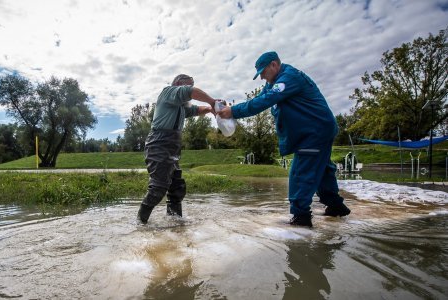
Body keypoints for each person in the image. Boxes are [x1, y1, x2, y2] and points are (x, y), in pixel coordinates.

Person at [216, 51, 350, 227]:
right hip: (316, 131)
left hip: (314, 133)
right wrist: (232, 107)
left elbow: (267, 100)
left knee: (300, 172)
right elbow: (259, 99)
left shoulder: (288, 78)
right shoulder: (275, 81)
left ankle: (301, 217)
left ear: (274, 65)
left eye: (263, 72)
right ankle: (335, 207)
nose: (263, 78)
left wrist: (233, 112)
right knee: (323, 170)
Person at [137, 74, 216, 224]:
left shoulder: (179, 106)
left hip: (172, 149)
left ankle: (174, 222)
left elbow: (195, 110)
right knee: (158, 188)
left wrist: (210, 108)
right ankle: (140, 223)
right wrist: (212, 100)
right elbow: (190, 92)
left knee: (177, 187)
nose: (190, 94)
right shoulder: (168, 92)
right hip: (158, 145)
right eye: (189, 85)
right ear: (179, 83)